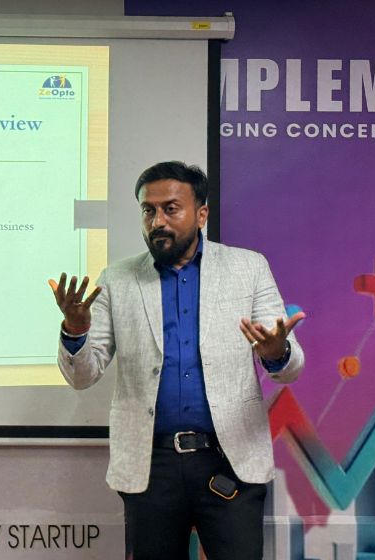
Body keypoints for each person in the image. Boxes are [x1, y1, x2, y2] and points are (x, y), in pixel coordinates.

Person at [50, 161, 305, 560]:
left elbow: (291, 367)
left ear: (201, 214)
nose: (157, 221)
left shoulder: (248, 268)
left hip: (229, 460)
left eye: (171, 209)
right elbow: (82, 376)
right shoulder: (117, 279)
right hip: (151, 467)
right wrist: (76, 330)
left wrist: (276, 353)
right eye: (148, 210)